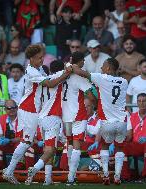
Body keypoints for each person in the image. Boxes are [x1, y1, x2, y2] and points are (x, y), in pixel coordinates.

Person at [3, 44, 72, 184]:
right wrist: (65, 74)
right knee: (26, 141)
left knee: (31, 142)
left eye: (42, 57)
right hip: (29, 109)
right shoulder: (31, 71)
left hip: (35, 110)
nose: (42, 60)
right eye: (39, 58)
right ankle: (9, 171)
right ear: (31, 58)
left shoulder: (38, 68)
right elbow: (51, 84)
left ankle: (44, 177)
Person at [72, 57, 128, 185]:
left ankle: (106, 175)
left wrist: (71, 65)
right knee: (119, 148)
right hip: (122, 121)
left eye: (103, 66)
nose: (101, 68)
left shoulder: (102, 78)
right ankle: (118, 176)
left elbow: (81, 72)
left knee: (104, 146)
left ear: (108, 68)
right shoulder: (124, 81)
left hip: (107, 121)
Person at [25, 59, 66, 185]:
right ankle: (35, 169)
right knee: (50, 150)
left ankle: (47, 179)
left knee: (48, 149)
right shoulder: (59, 77)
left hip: (42, 118)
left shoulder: (45, 79)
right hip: (52, 118)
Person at [61, 51, 95, 185]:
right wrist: (96, 105)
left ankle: (70, 175)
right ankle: (70, 177)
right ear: (80, 61)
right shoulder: (79, 77)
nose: (84, 63)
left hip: (66, 114)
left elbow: (67, 64)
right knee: (76, 146)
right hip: (78, 114)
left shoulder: (64, 72)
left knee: (69, 144)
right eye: (83, 61)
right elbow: (90, 95)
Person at [0, 100, 23, 169]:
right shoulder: (2, 118)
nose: (11, 110)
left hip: (17, 144)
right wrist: (0, 139)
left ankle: (18, 168)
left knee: (21, 144)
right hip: (7, 145)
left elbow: (24, 138)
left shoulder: (23, 118)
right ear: (5, 109)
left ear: (17, 108)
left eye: (13, 108)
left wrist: (10, 140)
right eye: (8, 108)